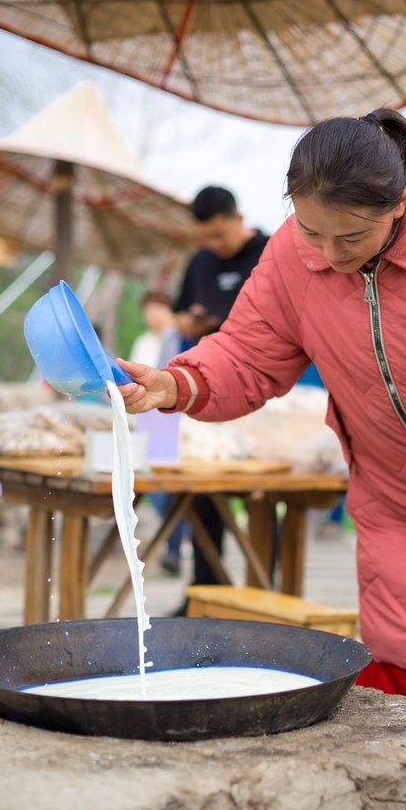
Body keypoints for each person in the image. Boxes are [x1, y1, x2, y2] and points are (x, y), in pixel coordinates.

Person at [118, 109, 406, 767]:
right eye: (312, 231)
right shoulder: (294, 254)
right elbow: (249, 352)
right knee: (403, 664)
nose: (331, 255)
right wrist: (177, 383)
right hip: (393, 497)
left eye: (353, 235)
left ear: (402, 201)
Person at [172, 186, 269, 587]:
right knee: (202, 493)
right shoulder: (200, 261)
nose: (214, 244)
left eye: (219, 234)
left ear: (238, 219)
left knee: (265, 496)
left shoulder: (270, 252)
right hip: (208, 389)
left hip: (261, 391)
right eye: (206, 237)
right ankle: (203, 593)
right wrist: (193, 323)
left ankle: (262, 595)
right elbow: (179, 315)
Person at [129, 291, 185, 575]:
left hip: (179, 420)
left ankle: (175, 545)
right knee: (154, 486)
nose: (152, 315)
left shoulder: (180, 338)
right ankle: (173, 543)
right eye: (148, 310)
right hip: (148, 421)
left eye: (158, 309)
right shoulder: (143, 342)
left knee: (173, 486)